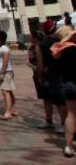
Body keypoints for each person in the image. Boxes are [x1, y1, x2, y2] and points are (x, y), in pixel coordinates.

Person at [37, 20, 67, 132]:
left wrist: (39, 76)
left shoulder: (42, 44)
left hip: (52, 74)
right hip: (63, 72)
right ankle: (62, 122)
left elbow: (40, 63)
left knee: (56, 100)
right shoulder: (62, 41)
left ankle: (64, 123)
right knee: (61, 100)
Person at [51, 26, 76, 157]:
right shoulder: (73, 49)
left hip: (66, 84)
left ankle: (68, 146)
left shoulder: (58, 52)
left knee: (71, 115)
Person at [0, 30, 17, 120]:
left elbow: (5, 61)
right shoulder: (1, 48)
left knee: (5, 91)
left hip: (6, 72)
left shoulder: (4, 48)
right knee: (9, 91)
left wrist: (2, 73)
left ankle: (8, 112)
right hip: (5, 71)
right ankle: (14, 109)